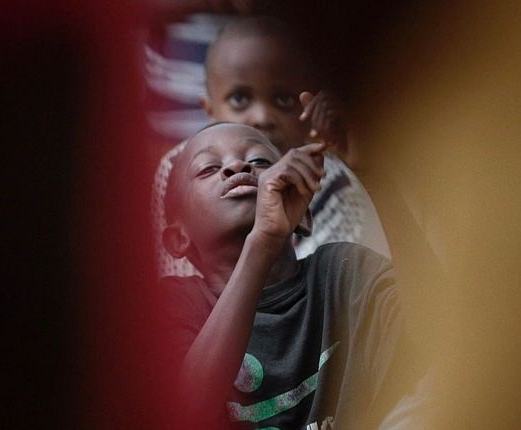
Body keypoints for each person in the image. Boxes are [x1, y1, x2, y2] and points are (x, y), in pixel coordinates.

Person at [162, 122, 419, 430]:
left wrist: (377, 176)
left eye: (259, 161)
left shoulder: (343, 275)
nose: (237, 167)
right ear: (178, 238)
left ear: (302, 213)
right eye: (209, 168)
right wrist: (261, 243)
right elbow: (183, 414)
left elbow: (440, 329)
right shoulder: (173, 306)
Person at [152, 16, 390, 278]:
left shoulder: (332, 182)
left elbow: (354, 292)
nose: (262, 117)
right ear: (210, 110)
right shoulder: (176, 170)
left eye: (284, 99)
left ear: (307, 108)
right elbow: (173, 286)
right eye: (240, 98)